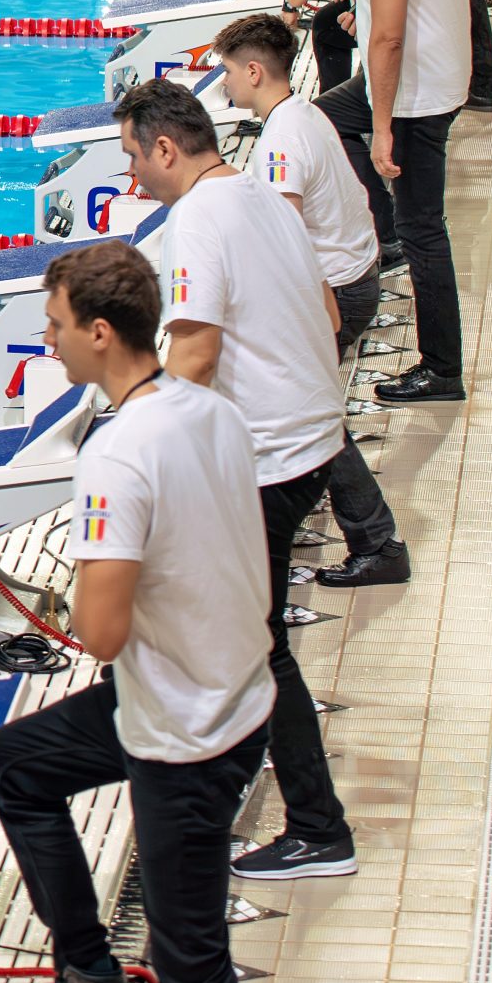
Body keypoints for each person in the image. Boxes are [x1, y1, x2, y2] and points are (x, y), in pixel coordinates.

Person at [0, 240, 272, 983]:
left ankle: (102, 980)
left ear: (100, 331)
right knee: (16, 762)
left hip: (188, 731)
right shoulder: (212, 408)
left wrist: (83, 580)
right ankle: (89, 976)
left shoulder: (117, 453)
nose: (48, 339)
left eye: (57, 324)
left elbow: (100, 633)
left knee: (192, 972)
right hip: (232, 689)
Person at [114, 78, 362, 885]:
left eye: (131, 157)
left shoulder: (198, 217)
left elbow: (195, 353)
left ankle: (318, 828)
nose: (130, 176)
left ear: (165, 147)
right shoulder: (258, 192)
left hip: (271, 459)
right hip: (311, 438)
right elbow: (328, 313)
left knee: (250, 647)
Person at [212, 14, 409, 588]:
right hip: (354, 275)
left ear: (254, 71)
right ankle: (297, 513)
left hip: (335, 291)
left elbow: (286, 242)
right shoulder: (306, 114)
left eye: (229, 71)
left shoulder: (281, 142)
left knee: (309, 418)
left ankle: (377, 542)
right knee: (301, 412)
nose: (225, 83)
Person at [311, 0, 471, 406]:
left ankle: (442, 370)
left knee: (425, 230)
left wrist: (382, 128)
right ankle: (379, 225)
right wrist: (365, 10)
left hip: (413, 95)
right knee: (317, 121)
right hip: (434, 77)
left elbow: (389, 40)